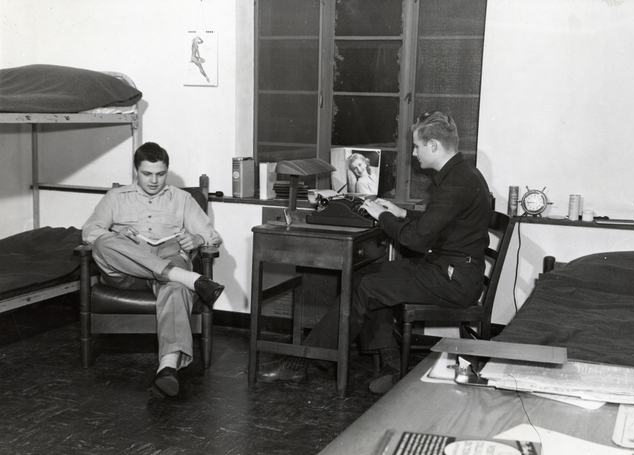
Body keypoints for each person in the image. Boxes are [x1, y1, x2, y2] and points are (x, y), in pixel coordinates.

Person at [258, 111, 491, 393]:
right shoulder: (461, 174)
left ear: (433, 146)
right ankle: (390, 362)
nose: (414, 153)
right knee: (369, 274)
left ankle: (303, 362)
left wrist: (381, 216)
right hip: (450, 270)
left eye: (417, 146)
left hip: (452, 280)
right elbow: (438, 225)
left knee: (367, 286)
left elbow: (416, 240)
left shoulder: (455, 183)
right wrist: (399, 212)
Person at [82, 142, 225, 398]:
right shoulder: (116, 197)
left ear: (166, 171)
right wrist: (116, 232)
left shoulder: (182, 198)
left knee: (175, 286)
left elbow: (211, 235)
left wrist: (197, 240)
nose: (154, 180)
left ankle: (167, 367)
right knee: (104, 242)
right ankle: (188, 277)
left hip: (168, 255)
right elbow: (90, 232)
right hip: (126, 270)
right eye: (147, 174)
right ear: (136, 170)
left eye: (160, 174)